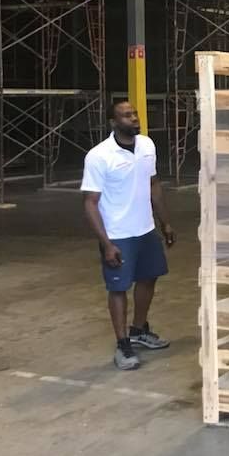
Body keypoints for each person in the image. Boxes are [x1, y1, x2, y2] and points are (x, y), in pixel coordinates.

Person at [81, 101, 176, 370]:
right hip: (117, 234)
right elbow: (90, 203)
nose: (134, 118)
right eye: (126, 115)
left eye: (134, 113)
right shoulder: (99, 156)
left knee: (149, 277)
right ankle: (123, 345)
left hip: (145, 229)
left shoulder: (147, 145)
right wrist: (107, 244)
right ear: (113, 123)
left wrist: (165, 223)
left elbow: (153, 185)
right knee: (119, 288)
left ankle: (138, 330)